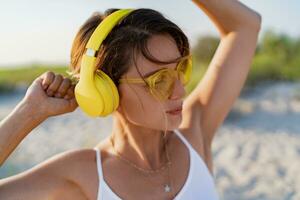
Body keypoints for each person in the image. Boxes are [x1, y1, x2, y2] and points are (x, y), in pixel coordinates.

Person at [0, 0, 261, 199]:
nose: (180, 91)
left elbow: (246, 25)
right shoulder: (83, 174)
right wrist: (28, 113)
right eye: (159, 80)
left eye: (181, 70)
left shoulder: (195, 131)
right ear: (105, 91)